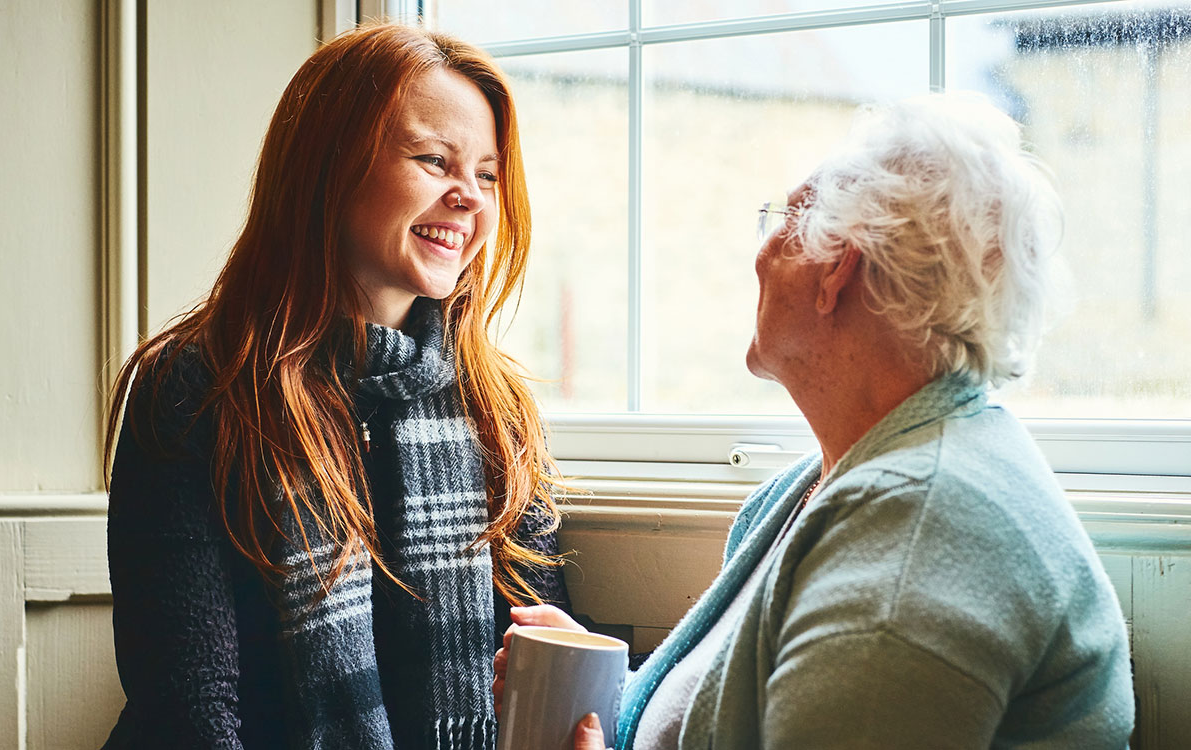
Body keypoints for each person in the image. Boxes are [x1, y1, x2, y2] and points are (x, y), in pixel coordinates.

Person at [495, 92, 1134, 749]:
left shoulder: (921, 529)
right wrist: (613, 692)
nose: (759, 255)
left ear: (837, 267)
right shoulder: (824, 485)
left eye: (782, 218)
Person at [103, 23, 569, 750]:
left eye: (486, 174)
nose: (469, 198)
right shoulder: (197, 387)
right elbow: (186, 711)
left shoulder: (496, 406)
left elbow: (543, 647)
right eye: (433, 160)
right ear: (327, 168)